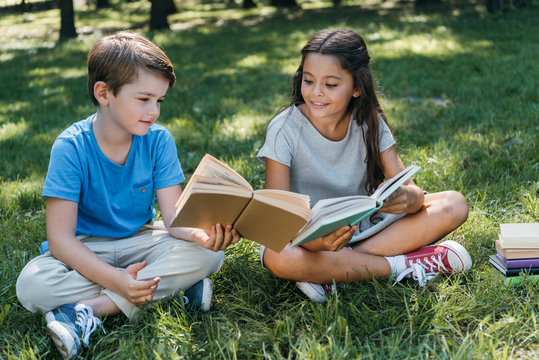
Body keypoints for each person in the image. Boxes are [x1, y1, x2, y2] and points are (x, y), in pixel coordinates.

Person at [16, 32, 240, 360]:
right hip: (86, 249)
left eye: (159, 101)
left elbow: (174, 220)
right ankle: (172, 290)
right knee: (32, 285)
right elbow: (61, 240)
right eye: (144, 99)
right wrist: (116, 279)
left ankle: (87, 310)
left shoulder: (159, 141)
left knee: (210, 257)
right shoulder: (70, 147)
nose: (154, 111)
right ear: (104, 93)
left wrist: (201, 236)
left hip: (143, 241)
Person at [257, 29, 472, 303]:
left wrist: (408, 199)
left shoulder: (370, 123)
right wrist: (312, 242)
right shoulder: (284, 130)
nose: (316, 93)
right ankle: (401, 266)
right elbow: (277, 219)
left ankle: (334, 271)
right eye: (308, 81)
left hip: (364, 230)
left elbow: (416, 196)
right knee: (278, 256)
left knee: (454, 204)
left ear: (357, 87)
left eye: (331, 85)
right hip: (305, 238)